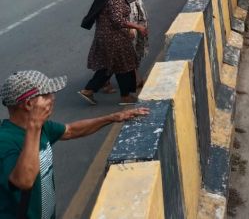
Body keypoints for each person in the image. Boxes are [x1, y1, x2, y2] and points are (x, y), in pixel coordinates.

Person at [0, 70, 148, 219]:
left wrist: (112, 117)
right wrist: (34, 125)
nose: (53, 98)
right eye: (47, 94)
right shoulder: (5, 140)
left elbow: (70, 130)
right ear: (29, 104)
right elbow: (24, 181)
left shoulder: (41, 128)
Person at [78, 0, 147, 105]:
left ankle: (89, 90)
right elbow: (117, 20)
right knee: (125, 66)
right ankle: (125, 97)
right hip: (115, 38)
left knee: (111, 65)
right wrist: (137, 26)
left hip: (106, 36)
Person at [111, 0, 149, 91]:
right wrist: (131, 27)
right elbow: (121, 13)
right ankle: (135, 80)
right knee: (129, 53)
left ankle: (104, 82)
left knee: (132, 53)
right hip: (129, 24)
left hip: (136, 22)